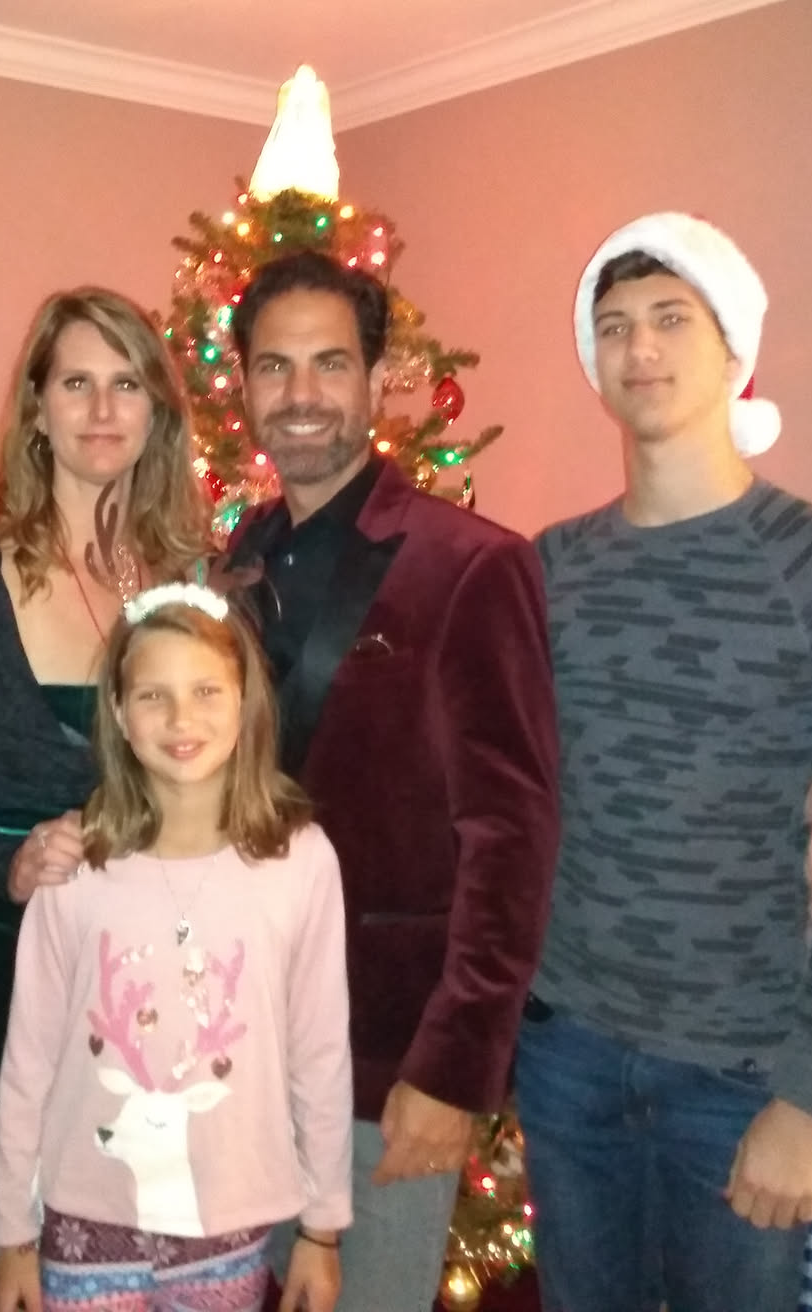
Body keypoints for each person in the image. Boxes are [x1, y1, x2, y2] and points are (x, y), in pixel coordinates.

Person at [523, 212, 812, 1312]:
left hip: (738, 1078)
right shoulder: (551, 568)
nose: (639, 348)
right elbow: (513, 803)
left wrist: (810, 1098)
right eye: (613, 326)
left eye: (670, 319)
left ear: (734, 346)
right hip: (566, 1052)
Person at [218, 250, 561, 1310]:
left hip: (386, 1056)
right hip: (234, 1040)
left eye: (330, 364)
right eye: (274, 366)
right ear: (243, 384)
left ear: (376, 381)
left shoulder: (471, 564)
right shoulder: (232, 563)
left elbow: (512, 837)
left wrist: (455, 1069)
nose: (302, 394)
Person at [0, 287, 209, 1312]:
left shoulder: (191, 584)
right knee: (10, 1247)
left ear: (157, 411)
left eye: (127, 384)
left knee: (148, 1237)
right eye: (76, 383)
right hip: (19, 969)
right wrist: (1, 863)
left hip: (167, 967)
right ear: (37, 407)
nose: (102, 410)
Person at [0, 585, 352, 1312]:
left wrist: (322, 1228)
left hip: (229, 1225)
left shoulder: (300, 861)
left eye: (206, 691)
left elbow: (319, 1051)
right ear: (120, 714)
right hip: (85, 1223)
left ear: (245, 702)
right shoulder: (75, 867)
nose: (182, 719)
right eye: (153, 696)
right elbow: (28, 1062)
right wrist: (13, 1236)